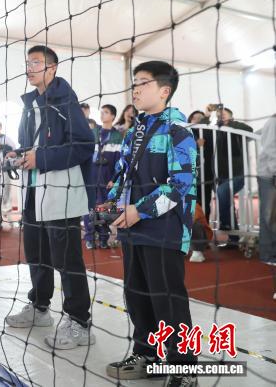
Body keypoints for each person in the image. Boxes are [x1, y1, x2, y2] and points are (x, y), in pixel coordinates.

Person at [105, 61, 198, 386]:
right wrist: (113, 204)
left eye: (143, 82)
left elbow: (181, 183)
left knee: (168, 300)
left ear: (164, 91)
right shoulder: (135, 131)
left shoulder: (178, 130)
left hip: (165, 229)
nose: (136, 88)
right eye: (134, 82)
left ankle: (184, 369)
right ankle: (147, 354)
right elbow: (122, 174)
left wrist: (139, 210)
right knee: (137, 296)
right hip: (134, 229)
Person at [3, 45, 96, 351]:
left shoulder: (65, 100)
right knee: (37, 252)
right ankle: (40, 308)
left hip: (62, 192)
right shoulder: (30, 104)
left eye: (36, 63)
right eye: (27, 62)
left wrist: (41, 158)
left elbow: (84, 145)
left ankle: (79, 322)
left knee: (67, 260)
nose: (29, 67)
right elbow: (28, 145)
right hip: (34, 191)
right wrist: (18, 155)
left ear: (52, 68)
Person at [209, 106, 253, 240]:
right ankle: (234, 238)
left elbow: (249, 129)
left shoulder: (237, 127)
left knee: (222, 192)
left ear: (231, 116)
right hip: (219, 176)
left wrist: (228, 124)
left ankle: (226, 224)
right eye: (218, 114)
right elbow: (202, 127)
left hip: (238, 174)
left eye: (224, 113)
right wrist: (209, 114)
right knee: (226, 200)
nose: (221, 115)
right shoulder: (214, 130)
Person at [83, 104, 123, 249]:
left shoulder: (118, 136)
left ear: (113, 116)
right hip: (91, 176)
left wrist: (114, 179)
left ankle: (104, 237)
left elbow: (120, 161)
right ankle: (89, 237)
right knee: (89, 208)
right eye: (101, 112)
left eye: (106, 112)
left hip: (107, 178)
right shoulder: (93, 132)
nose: (102, 115)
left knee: (104, 208)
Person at [256, 115, 276, 300]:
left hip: (269, 173)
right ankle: (270, 255)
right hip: (270, 175)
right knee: (269, 217)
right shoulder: (273, 121)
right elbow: (270, 148)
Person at [187, 110, 215, 225]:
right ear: (190, 120)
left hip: (205, 175)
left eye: (201, 118)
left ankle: (205, 228)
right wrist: (196, 145)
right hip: (189, 175)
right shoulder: (186, 132)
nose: (198, 120)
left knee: (205, 202)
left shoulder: (208, 133)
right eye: (195, 118)